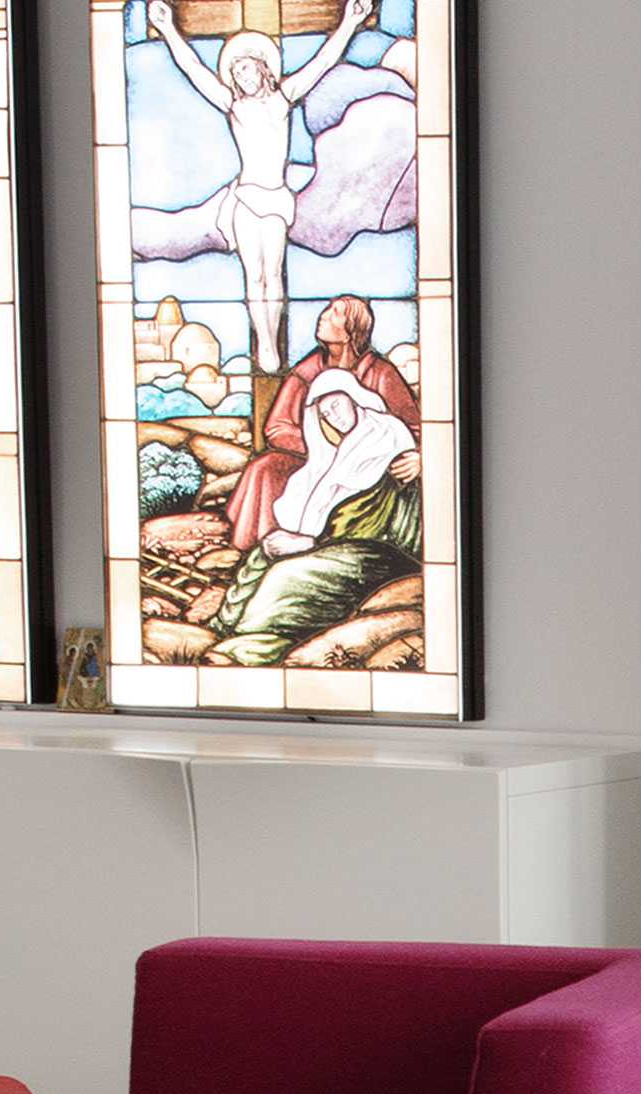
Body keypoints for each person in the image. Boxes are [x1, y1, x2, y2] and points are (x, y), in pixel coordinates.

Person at [144, 0, 372, 373]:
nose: (242, 78)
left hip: (277, 199)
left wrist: (350, 21)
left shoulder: (283, 100)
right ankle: (265, 344)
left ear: (264, 69)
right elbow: (194, 69)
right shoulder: (233, 105)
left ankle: (273, 336)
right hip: (247, 199)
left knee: (275, 271)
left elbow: (323, 62)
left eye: (247, 69)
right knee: (256, 274)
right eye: (236, 73)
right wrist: (169, 29)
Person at [204, 369, 420, 666]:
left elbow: (371, 519)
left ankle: (247, 647)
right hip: (338, 544)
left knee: (287, 577)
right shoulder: (337, 449)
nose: (334, 416)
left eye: (337, 404)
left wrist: (311, 542)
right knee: (262, 553)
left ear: (354, 397)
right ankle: (223, 628)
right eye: (325, 411)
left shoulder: (387, 436)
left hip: (379, 554)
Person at [222, 297, 422, 548]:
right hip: (309, 460)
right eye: (327, 309)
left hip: (370, 469)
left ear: (351, 331)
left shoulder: (381, 373)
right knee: (265, 467)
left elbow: (415, 430)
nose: (324, 315)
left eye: (334, 313)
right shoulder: (307, 370)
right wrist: (322, 449)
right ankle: (250, 548)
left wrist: (418, 455)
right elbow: (277, 427)